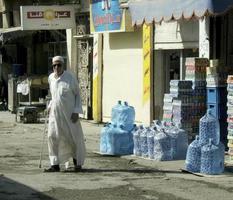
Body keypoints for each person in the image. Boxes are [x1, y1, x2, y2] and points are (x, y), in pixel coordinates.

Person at [44, 55, 86, 172]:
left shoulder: (70, 78)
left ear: (63, 65)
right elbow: (53, 95)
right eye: (54, 65)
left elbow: (78, 95)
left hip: (69, 115)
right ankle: (55, 164)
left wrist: (76, 111)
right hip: (55, 114)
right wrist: (49, 106)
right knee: (52, 137)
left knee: (73, 138)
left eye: (59, 65)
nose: (56, 67)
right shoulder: (51, 78)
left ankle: (77, 163)